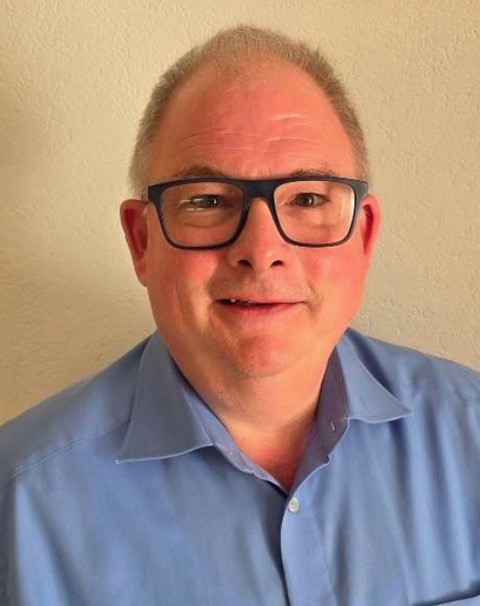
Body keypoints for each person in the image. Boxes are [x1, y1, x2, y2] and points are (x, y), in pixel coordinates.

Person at [1, 25, 479, 606]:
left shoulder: (472, 436)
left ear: (364, 234)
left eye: (307, 199)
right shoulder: (18, 505)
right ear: (141, 241)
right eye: (207, 200)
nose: (261, 249)